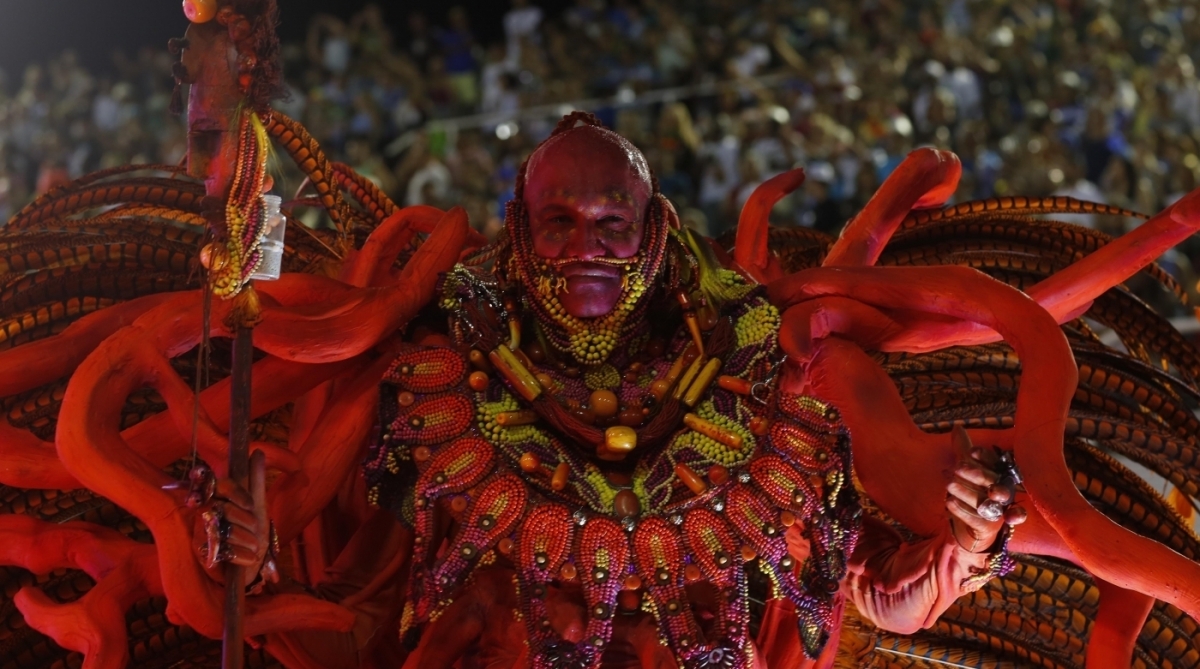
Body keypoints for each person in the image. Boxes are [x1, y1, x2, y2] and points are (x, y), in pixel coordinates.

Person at [201, 114, 1024, 668]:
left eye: (610, 223)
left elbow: (877, 588)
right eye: (558, 220)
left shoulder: (762, 381)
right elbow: (361, 613)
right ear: (520, 229)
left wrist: (968, 545)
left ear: (653, 228)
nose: (583, 248)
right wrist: (258, 559)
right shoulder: (443, 383)